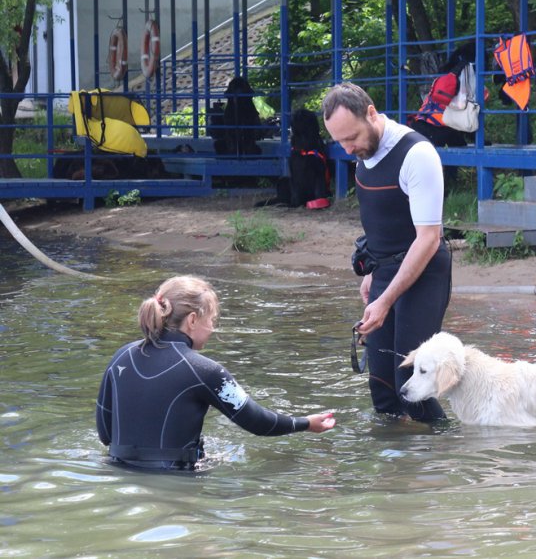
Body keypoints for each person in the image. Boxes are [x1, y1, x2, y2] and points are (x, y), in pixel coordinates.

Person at [96, 275, 335, 470]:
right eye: (211, 320)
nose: (212, 328)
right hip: (175, 482)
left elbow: (105, 434)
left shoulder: (121, 357)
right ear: (192, 320)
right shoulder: (204, 370)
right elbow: (257, 421)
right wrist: (305, 423)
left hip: (119, 474)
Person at [321, 82, 451, 423]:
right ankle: (393, 455)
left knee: (409, 384)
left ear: (371, 113)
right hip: (384, 271)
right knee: (382, 388)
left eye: (352, 137)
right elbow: (382, 220)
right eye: (340, 142)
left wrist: (386, 299)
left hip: (423, 272)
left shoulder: (416, 154)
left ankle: (448, 448)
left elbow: (428, 239)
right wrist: (372, 273)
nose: (348, 148)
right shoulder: (363, 153)